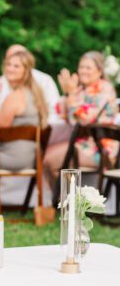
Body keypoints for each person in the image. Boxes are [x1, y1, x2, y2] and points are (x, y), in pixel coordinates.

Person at [43, 50, 116, 188]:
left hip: (99, 148)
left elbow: (85, 120)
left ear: (99, 71)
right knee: (46, 156)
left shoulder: (104, 89)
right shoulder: (82, 90)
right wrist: (66, 93)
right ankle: (66, 203)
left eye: (88, 67)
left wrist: (71, 94)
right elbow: (62, 114)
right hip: (83, 142)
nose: (83, 71)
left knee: (50, 161)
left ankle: (68, 204)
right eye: (81, 67)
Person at [0, 49, 48, 171]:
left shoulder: (15, 96)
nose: (10, 69)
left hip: (12, 157)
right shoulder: (35, 93)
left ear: (26, 71)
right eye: (8, 64)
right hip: (30, 155)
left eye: (16, 66)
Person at [0, 44, 59, 115]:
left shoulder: (44, 80)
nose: (10, 68)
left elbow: (54, 107)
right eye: (8, 62)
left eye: (16, 65)